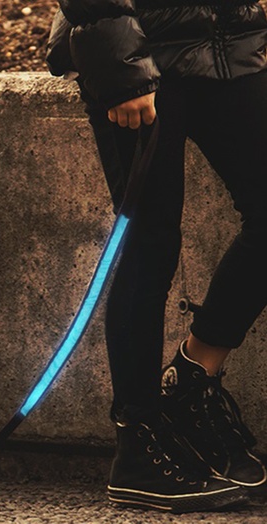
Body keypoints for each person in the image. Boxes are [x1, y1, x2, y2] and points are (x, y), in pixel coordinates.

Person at [46, 0, 267, 513]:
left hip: (228, 48)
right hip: (138, 49)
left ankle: (194, 381)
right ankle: (138, 445)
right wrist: (118, 64)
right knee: (151, 241)